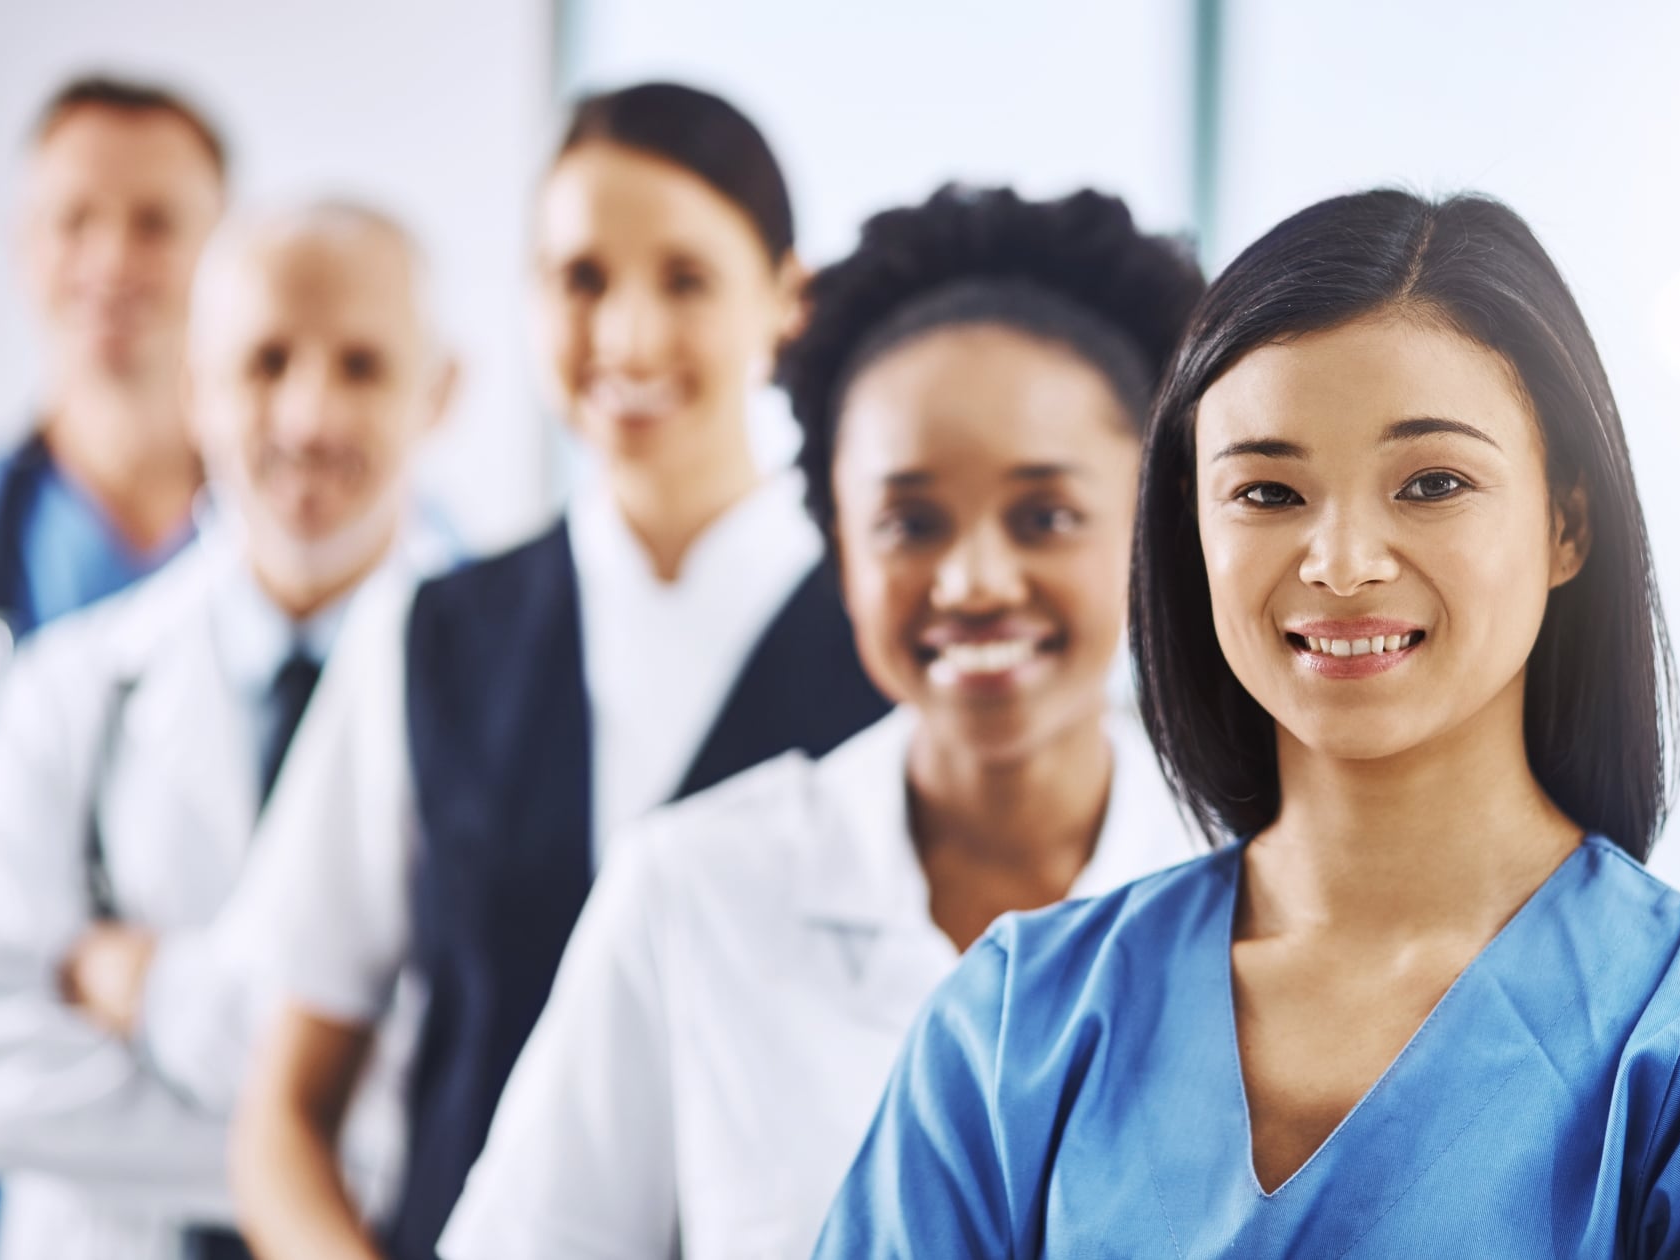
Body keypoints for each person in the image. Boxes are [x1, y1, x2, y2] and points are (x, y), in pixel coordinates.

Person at [815, 190, 1680, 1258]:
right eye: (1266, 493)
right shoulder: (1015, 1027)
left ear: (1564, 524)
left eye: (1431, 483)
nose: (1340, 562)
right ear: (1185, 534)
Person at [439, 185, 1209, 1260]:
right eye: (909, 522)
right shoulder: (691, 889)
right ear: (838, 550)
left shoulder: (1254, 885)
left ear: (1148, 530)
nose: (976, 579)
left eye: (1045, 516)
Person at [230, 83, 890, 1260]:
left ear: (784, 303)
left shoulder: (888, 644)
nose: (626, 336)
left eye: (684, 280)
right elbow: (281, 1115)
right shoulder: (427, 637)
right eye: (581, 279)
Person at [0, 201, 457, 1260]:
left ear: (441, 393)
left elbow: (480, 1071)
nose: (309, 416)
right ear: (194, 389)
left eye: (364, 366)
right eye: (265, 361)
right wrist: (320, 1125)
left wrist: (146, 989)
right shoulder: (68, 690)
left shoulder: (495, 698)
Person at [0, 76, 227, 723]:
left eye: (155, 223)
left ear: (228, 255)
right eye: (74, 220)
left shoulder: (344, 536)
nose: (112, 260)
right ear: (24, 246)